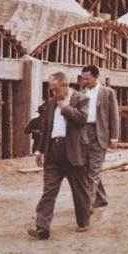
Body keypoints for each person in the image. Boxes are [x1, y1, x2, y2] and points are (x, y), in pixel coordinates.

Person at [29, 72, 90, 240]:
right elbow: (45, 129)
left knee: (79, 190)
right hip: (53, 152)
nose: (53, 94)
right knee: (49, 191)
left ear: (64, 85)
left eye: (55, 90)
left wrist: (66, 108)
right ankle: (42, 228)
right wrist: (40, 150)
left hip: (73, 151)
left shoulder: (80, 98)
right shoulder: (50, 103)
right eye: (51, 90)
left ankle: (83, 221)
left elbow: (83, 119)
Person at [80, 65, 119, 210]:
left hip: (100, 133)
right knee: (87, 169)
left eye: (87, 78)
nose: (84, 81)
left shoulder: (108, 93)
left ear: (96, 77)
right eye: (83, 78)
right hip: (84, 134)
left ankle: (86, 206)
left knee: (93, 171)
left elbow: (114, 116)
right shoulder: (82, 92)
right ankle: (101, 198)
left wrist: (114, 137)